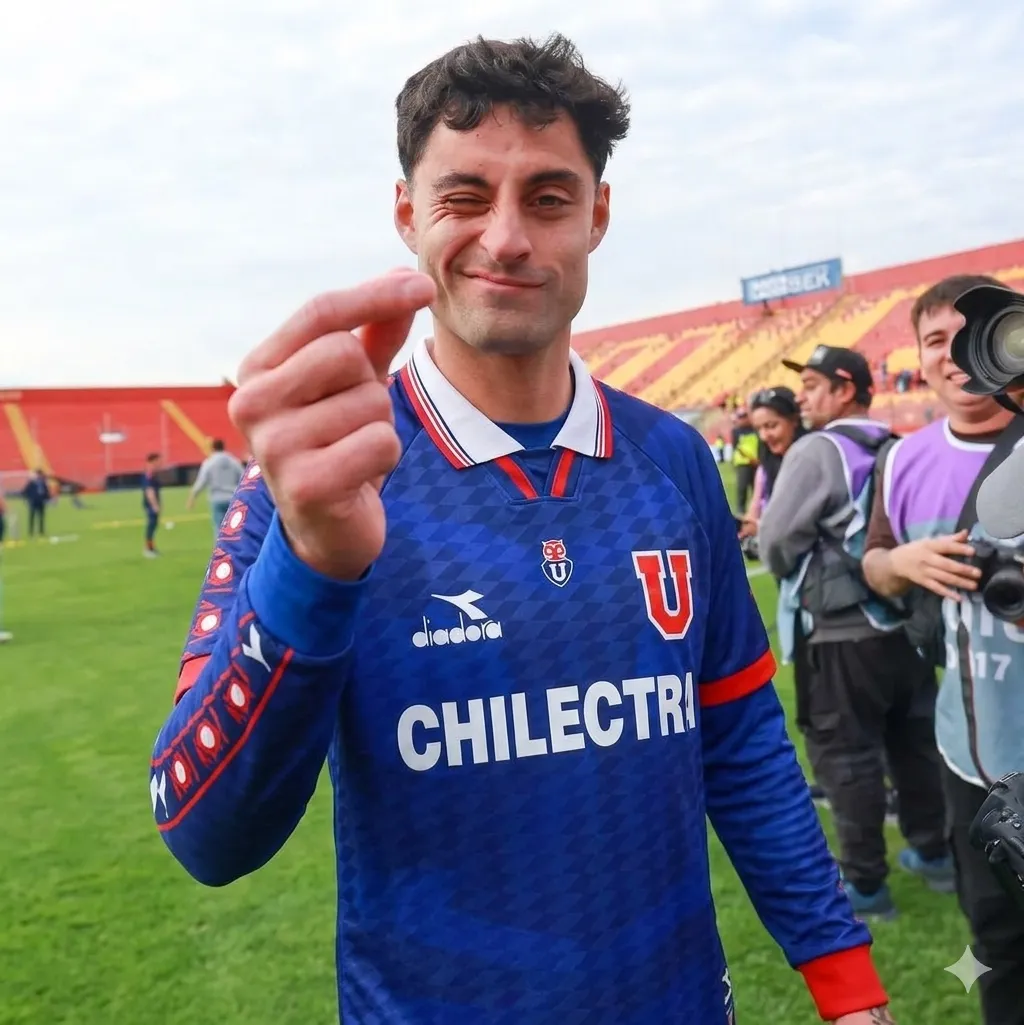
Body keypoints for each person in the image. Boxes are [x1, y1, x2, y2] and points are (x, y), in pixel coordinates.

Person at [149, 35, 893, 1025]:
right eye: (463, 197)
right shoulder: (315, 487)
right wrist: (314, 564)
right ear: (407, 212)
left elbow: (740, 734)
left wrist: (844, 982)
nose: (506, 238)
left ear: (597, 214)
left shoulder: (669, 458)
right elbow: (205, 835)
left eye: (547, 197)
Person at [862, 274, 1024, 1025]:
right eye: (937, 339)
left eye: (973, 334)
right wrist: (902, 564)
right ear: (919, 357)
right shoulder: (900, 461)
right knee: (998, 942)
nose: (957, 354)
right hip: (973, 756)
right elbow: (871, 560)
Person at [759, 345, 951, 919]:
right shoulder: (901, 446)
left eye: (815, 384)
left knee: (847, 757)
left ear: (846, 388)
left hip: (841, 632)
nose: (804, 396)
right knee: (913, 746)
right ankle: (934, 852)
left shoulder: (815, 449)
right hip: (907, 626)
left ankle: (866, 883)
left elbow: (776, 542)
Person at [737, 385, 806, 542]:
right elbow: (754, 508)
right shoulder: (765, 468)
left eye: (771, 426)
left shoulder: (813, 461)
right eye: (758, 429)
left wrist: (762, 528)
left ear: (794, 420)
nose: (764, 436)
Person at [185, 439, 244, 535]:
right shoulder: (233, 461)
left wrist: (192, 497)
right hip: (233, 497)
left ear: (212, 448)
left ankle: (221, 549)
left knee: (219, 528)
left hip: (217, 498)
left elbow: (201, 481)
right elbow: (243, 476)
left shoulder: (209, 462)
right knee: (236, 528)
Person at [730, 407, 759, 513]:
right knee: (742, 488)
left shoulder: (755, 429)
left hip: (757, 462)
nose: (743, 419)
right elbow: (737, 447)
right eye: (740, 417)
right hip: (743, 462)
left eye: (744, 416)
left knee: (757, 489)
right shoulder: (736, 431)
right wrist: (750, 458)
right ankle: (741, 510)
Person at [142, 453, 162, 558]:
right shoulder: (149, 475)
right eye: (158, 461)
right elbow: (150, 491)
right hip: (150, 506)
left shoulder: (153, 474)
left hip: (151, 505)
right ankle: (148, 549)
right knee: (151, 527)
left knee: (153, 527)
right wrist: (155, 505)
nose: (160, 464)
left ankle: (151, 548)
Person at [23, 469, 49, 538]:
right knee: (32, 517)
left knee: (41, 517)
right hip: (33, 502)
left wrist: (47, 499)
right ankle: (31, 531)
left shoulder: (43, 482)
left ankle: (41, 531)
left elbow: (46, 491)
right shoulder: (31, 482)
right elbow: (25, 491)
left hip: (41, 502)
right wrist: (28, 499)